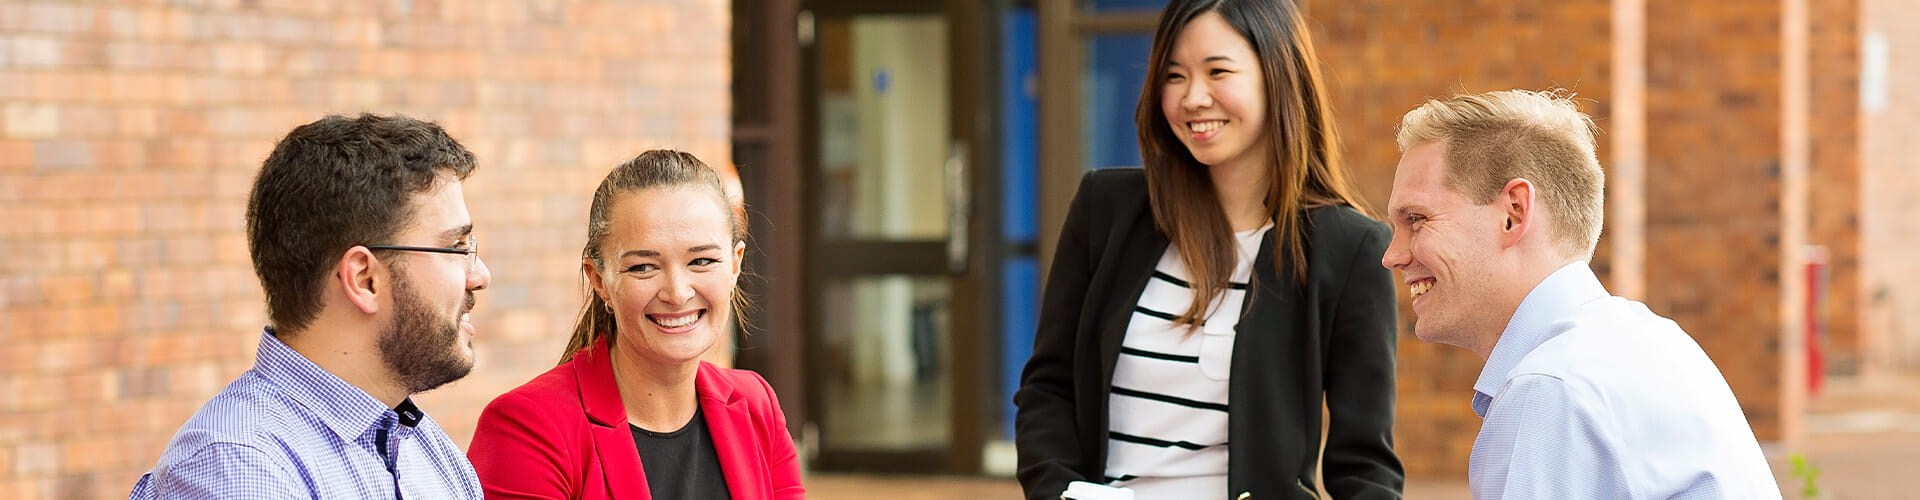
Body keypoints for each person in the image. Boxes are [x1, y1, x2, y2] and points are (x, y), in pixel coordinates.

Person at [1012, 0, 1404, 498]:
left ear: (1277, 75)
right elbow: (1049, 389)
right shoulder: (1105, 210)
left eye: (1217, 71)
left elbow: (1367, 469)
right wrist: (1059, 492)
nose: (1193, 97)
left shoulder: (1346, 250)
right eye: (1174, 76)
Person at [1380, 89, 1779, 498]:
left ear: (1513, 213)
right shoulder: (1653, 343)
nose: (1391, 256)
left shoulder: (1552, 386)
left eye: (1417, 219)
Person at [130, 114, 491, 498]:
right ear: (364, 279)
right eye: (455, 248)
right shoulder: (239, 467)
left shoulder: (428, 453)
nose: (479, 275)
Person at [467, 150, 803, 499]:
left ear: (734, 266)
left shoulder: (755, 404)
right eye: (643, 267)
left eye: (701, 260)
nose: (677, 293)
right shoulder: (528, 429)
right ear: (599, 280)